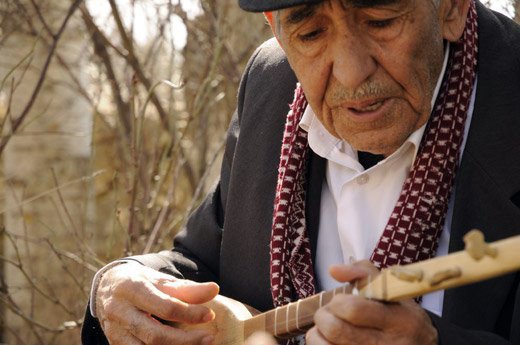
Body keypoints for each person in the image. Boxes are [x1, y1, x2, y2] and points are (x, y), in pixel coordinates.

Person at [82, 0, 520, 344]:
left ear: (452, 7)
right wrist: (120, 284)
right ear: (275, 27)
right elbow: (203, 263)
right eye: (310, 33)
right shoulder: (272, 82)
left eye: (380, 20)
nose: (351, 72)